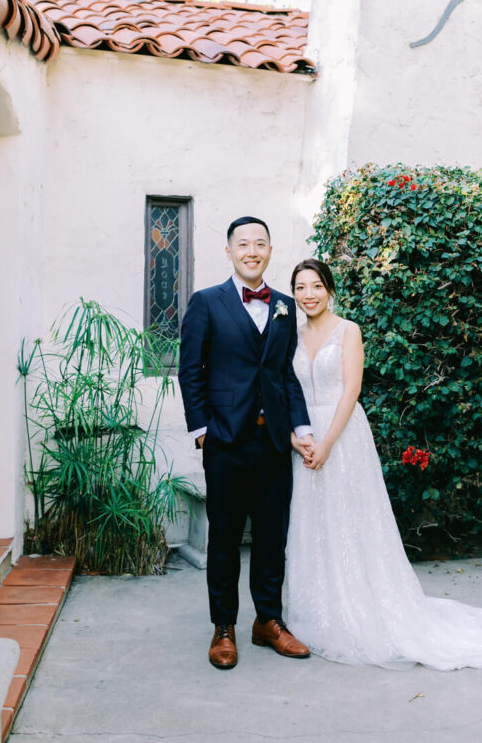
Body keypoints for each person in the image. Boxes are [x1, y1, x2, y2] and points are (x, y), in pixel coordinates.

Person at [285, 258, 482, 671]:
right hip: (304, 440)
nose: (308, 295)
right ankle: (318, 611)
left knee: (350, 523)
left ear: (329, 289)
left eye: (316, 286)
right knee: (314, 525)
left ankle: (361, 608)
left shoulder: (348, 331)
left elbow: (351, 392)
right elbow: (285, 390)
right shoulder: (291, 335)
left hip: (341, 438)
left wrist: (326, 442)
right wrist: (297, 439)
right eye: (300, 288)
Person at [178, 217, 315, 669]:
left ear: (270, 251)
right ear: (230, 251)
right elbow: (190, 370)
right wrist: (203, 432)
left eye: (260, 243)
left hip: (274, 443)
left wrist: (302, 429)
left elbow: (285, 376)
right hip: (226, 443)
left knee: (272, 537)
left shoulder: (283, 305)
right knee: (225, 538)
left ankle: (268, 622)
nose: (252, 251)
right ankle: (224, 627)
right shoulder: (206, 303)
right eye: (243, 244)